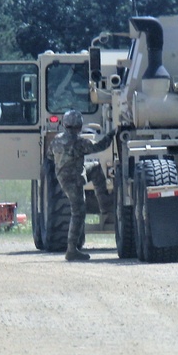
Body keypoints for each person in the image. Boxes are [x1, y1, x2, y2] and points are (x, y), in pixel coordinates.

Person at [49, 109, 115, 261]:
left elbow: (49, 155)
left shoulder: (56, 139)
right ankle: (71, 249)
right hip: (74, 180)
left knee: (96, 167)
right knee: (78, 211)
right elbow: (99, 147)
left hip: (65, 177)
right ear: (79, 126)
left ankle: (104, 205)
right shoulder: (78, 142)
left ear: (65, 124)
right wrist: (111, 135)